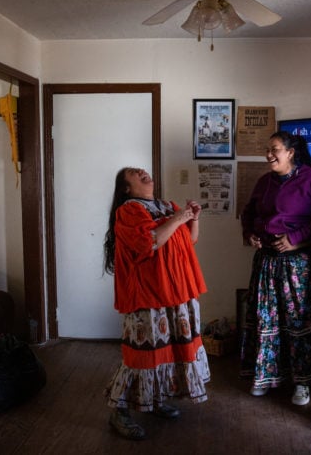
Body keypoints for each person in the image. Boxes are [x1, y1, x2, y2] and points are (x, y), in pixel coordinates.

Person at [103, 167, 210, 440]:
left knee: (169, 351)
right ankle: (119, 410)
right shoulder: (128, 210)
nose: (142, 171)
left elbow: (189, 240)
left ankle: (155, 400)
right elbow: (149, 242)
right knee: (142, 356)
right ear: (126, 188)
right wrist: (177, 218)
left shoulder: (166, 205)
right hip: (148, 296)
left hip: (176, 292)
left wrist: (192, 219)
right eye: (133, 173)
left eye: (142, 170)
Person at [240, 131, 311, 406]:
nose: (269, 154)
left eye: (275, 149)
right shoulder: (264, 182)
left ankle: (302, 384)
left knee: (299, 323)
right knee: (266, 321)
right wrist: (250, 234)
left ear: (291, 152)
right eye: (267, 150)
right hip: (267, 263)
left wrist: (296, 239)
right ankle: (266, 377)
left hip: (299, 265)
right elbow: (249, 214)